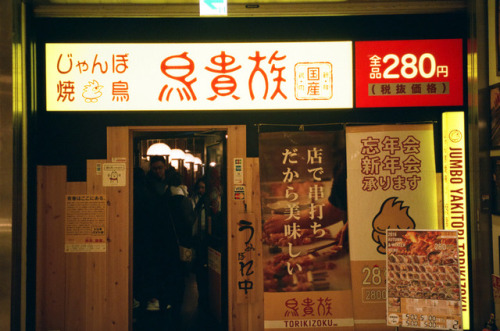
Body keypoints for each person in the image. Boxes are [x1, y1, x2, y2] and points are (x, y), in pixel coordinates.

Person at [166, 171, 196, 327]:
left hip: (166, 244)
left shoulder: (163, 198)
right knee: (180, 277)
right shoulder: (184, 201)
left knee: (169, 275)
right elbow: (189, 222)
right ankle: (177, 307)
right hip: (182, 243)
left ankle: (168, 305)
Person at [190, 177, 210, 308]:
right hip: (198, 234)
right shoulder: (194, 200)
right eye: (199, 187)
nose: (201, 190)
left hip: (207, 234)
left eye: (203, 187)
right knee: (199, 263)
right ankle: (202, 292)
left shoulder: (211, 201)